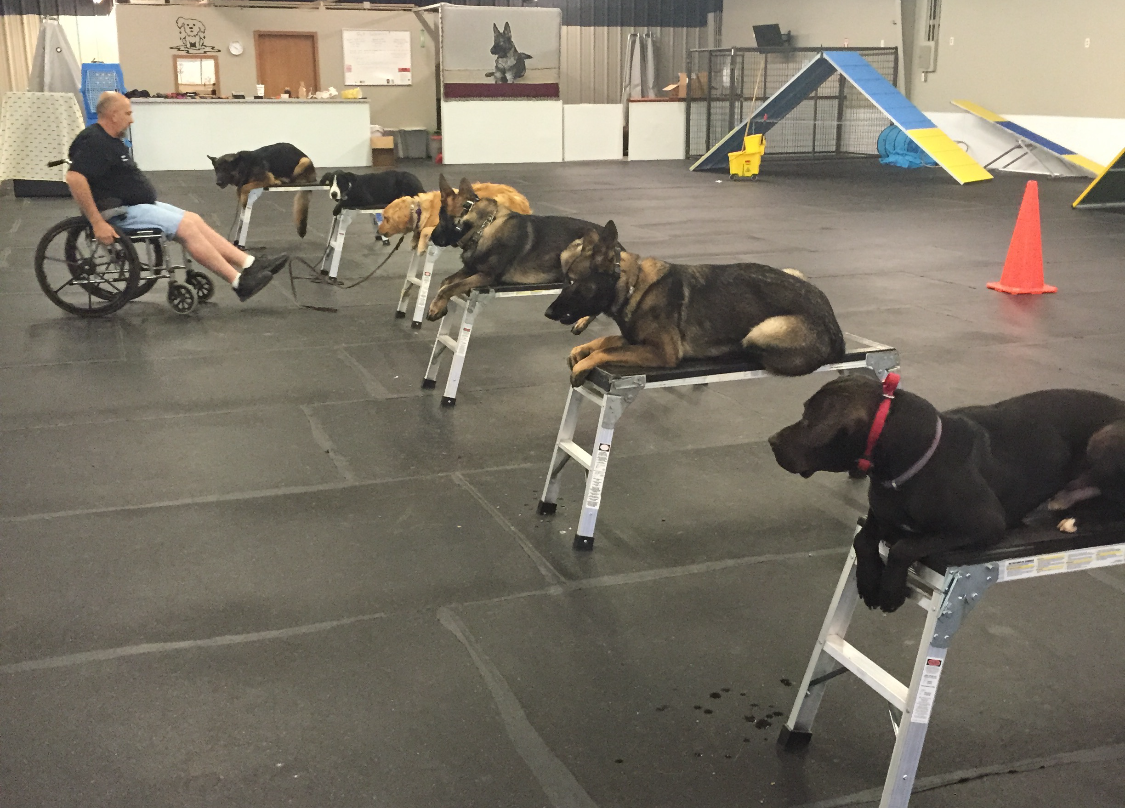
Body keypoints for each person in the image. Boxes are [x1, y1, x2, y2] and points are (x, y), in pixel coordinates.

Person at [65, 91, 286, 302]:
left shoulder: (110, 139)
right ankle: (238, 282)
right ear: (113, 115)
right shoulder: (94, 141)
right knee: (186, 228)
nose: (131, 120)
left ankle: (249, 264)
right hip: (118, 212)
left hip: (135, 206)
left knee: (193, 219)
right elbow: (75, 178)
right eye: (128, 113)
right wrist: (96, 222)